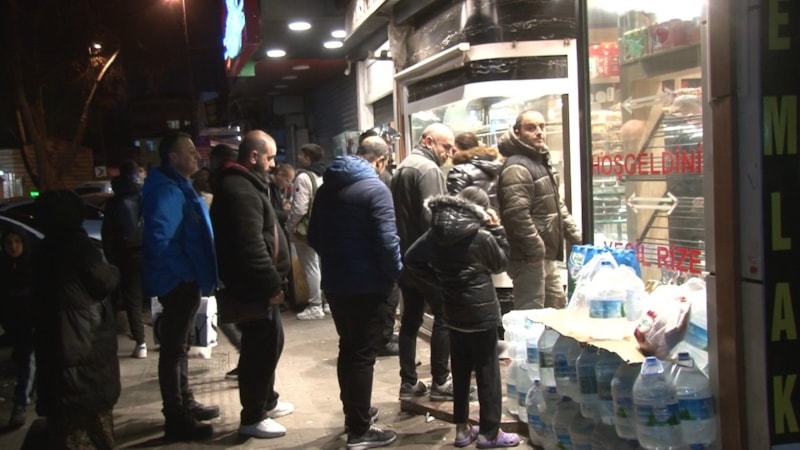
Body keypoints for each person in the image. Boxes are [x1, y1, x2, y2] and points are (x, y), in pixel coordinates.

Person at [404, 186, 519, 448]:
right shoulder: (481, 236)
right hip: (481, 314)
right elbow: (502, 264)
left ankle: (461, 430)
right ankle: (490, 434)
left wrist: (438, 284)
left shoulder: (435, 234)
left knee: (461, 371)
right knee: (488, 373)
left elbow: (411, 259)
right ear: (480, 209)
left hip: (453, 312)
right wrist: (498, 229)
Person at [307, 137, 402, 449]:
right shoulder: (376, 190)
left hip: (336, 284)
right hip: (369, 286)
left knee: (349, 350)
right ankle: (360, 430)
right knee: (362, 356)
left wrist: (339, 261)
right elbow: (388, 244)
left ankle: (357, 413)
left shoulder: (325, 189)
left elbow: (314, 236)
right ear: (380, 161)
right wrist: (395, 276)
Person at [210, 130, 294, 439]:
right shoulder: (239, 190)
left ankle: (266, 400)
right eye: (270, 157)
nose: (274, 164)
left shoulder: (247, 185)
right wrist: (272, 284)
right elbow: (250, 246)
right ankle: (253, 415)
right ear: (254, 156)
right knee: (259, 350)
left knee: (270, 344)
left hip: (257, 286)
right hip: (253, 288)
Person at [141, 132, 220, 441]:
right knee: (174, 349)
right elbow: (160, 241)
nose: (196, 156)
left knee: (180, 347)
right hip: (177, 282)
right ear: (172, 158)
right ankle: (175, 417)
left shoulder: (176, 185)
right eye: (189, 152)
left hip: (183, 279)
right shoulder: (166, 191)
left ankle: (184, 404)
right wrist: (184, 274)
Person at [32, 190, 121, 448]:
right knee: (96, 430)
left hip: (55, 355)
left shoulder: (40, 250)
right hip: (85, 352)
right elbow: (105, 280)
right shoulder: (80, 247)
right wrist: (114, 267)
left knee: (67, 432)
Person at [391, 122, 455, 401]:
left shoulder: (402, 167)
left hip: (406, 258)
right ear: (428, 141)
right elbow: (434, 220)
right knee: (445, 316)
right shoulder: (428, 170)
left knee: (410, 320)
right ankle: (441, 382)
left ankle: (408, 381)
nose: (449, 153)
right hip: (426, 262)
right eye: (445, 146)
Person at [497, 110, 582, 310]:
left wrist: (576, 237)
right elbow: (517, 216)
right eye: (531, 127)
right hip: (530, 258)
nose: (539, 132)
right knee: (530, 315)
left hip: (544, 256)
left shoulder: (540, 161)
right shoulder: (517, 166)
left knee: (556, 308)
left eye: (542, 127)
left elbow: (557, 205)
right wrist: (536, 250)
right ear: (517, 132)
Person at [358, 128, 400, 357]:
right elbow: (387, 233)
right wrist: (396, 267)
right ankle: (381, 341)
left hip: (346, 268)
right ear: (381, 159)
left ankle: (378, 338)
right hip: (375, 259)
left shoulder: (335, 182)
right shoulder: (379, 183)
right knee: (386, 299)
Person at [102, 160, 147, 359]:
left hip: (124, 255)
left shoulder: (115, 202)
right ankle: (162, 337)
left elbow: (107, 234)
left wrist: (111, 258)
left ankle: (141, 342)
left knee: (131, 300)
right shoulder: (143, 196)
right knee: (151, 295)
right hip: (145, 252)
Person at [207, 143, 245, 381]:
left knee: (230, 314)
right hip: (231, 263)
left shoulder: (227, 185)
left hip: (230, 263)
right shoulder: (236, 183)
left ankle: (248, 358)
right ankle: (248, 357)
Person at [287, 143, 328, 320]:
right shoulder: (323, 176)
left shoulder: (303, 178)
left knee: (310, 266)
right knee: (321, 265)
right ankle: (327, 303)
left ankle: (315, 305)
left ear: (308, 158)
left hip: (306, 229)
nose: (298, 157)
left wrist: (291, 225)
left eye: (301, 155)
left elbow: (300, 208)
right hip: (322, 226)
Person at [0, 228, 35, 429]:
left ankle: (21, 402)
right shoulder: (4, 267)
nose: (13, 247)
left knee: (28, 361)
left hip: (31, 324)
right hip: (13, 325)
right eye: (8, 243)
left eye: (17, 242)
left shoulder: (32, 266)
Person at [268, 163, 297, 308]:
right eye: (287, 180)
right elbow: (270, 211)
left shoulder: (274, 188)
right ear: (279, 175)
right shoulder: (268, 187)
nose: (288, 184)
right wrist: (286, 215)